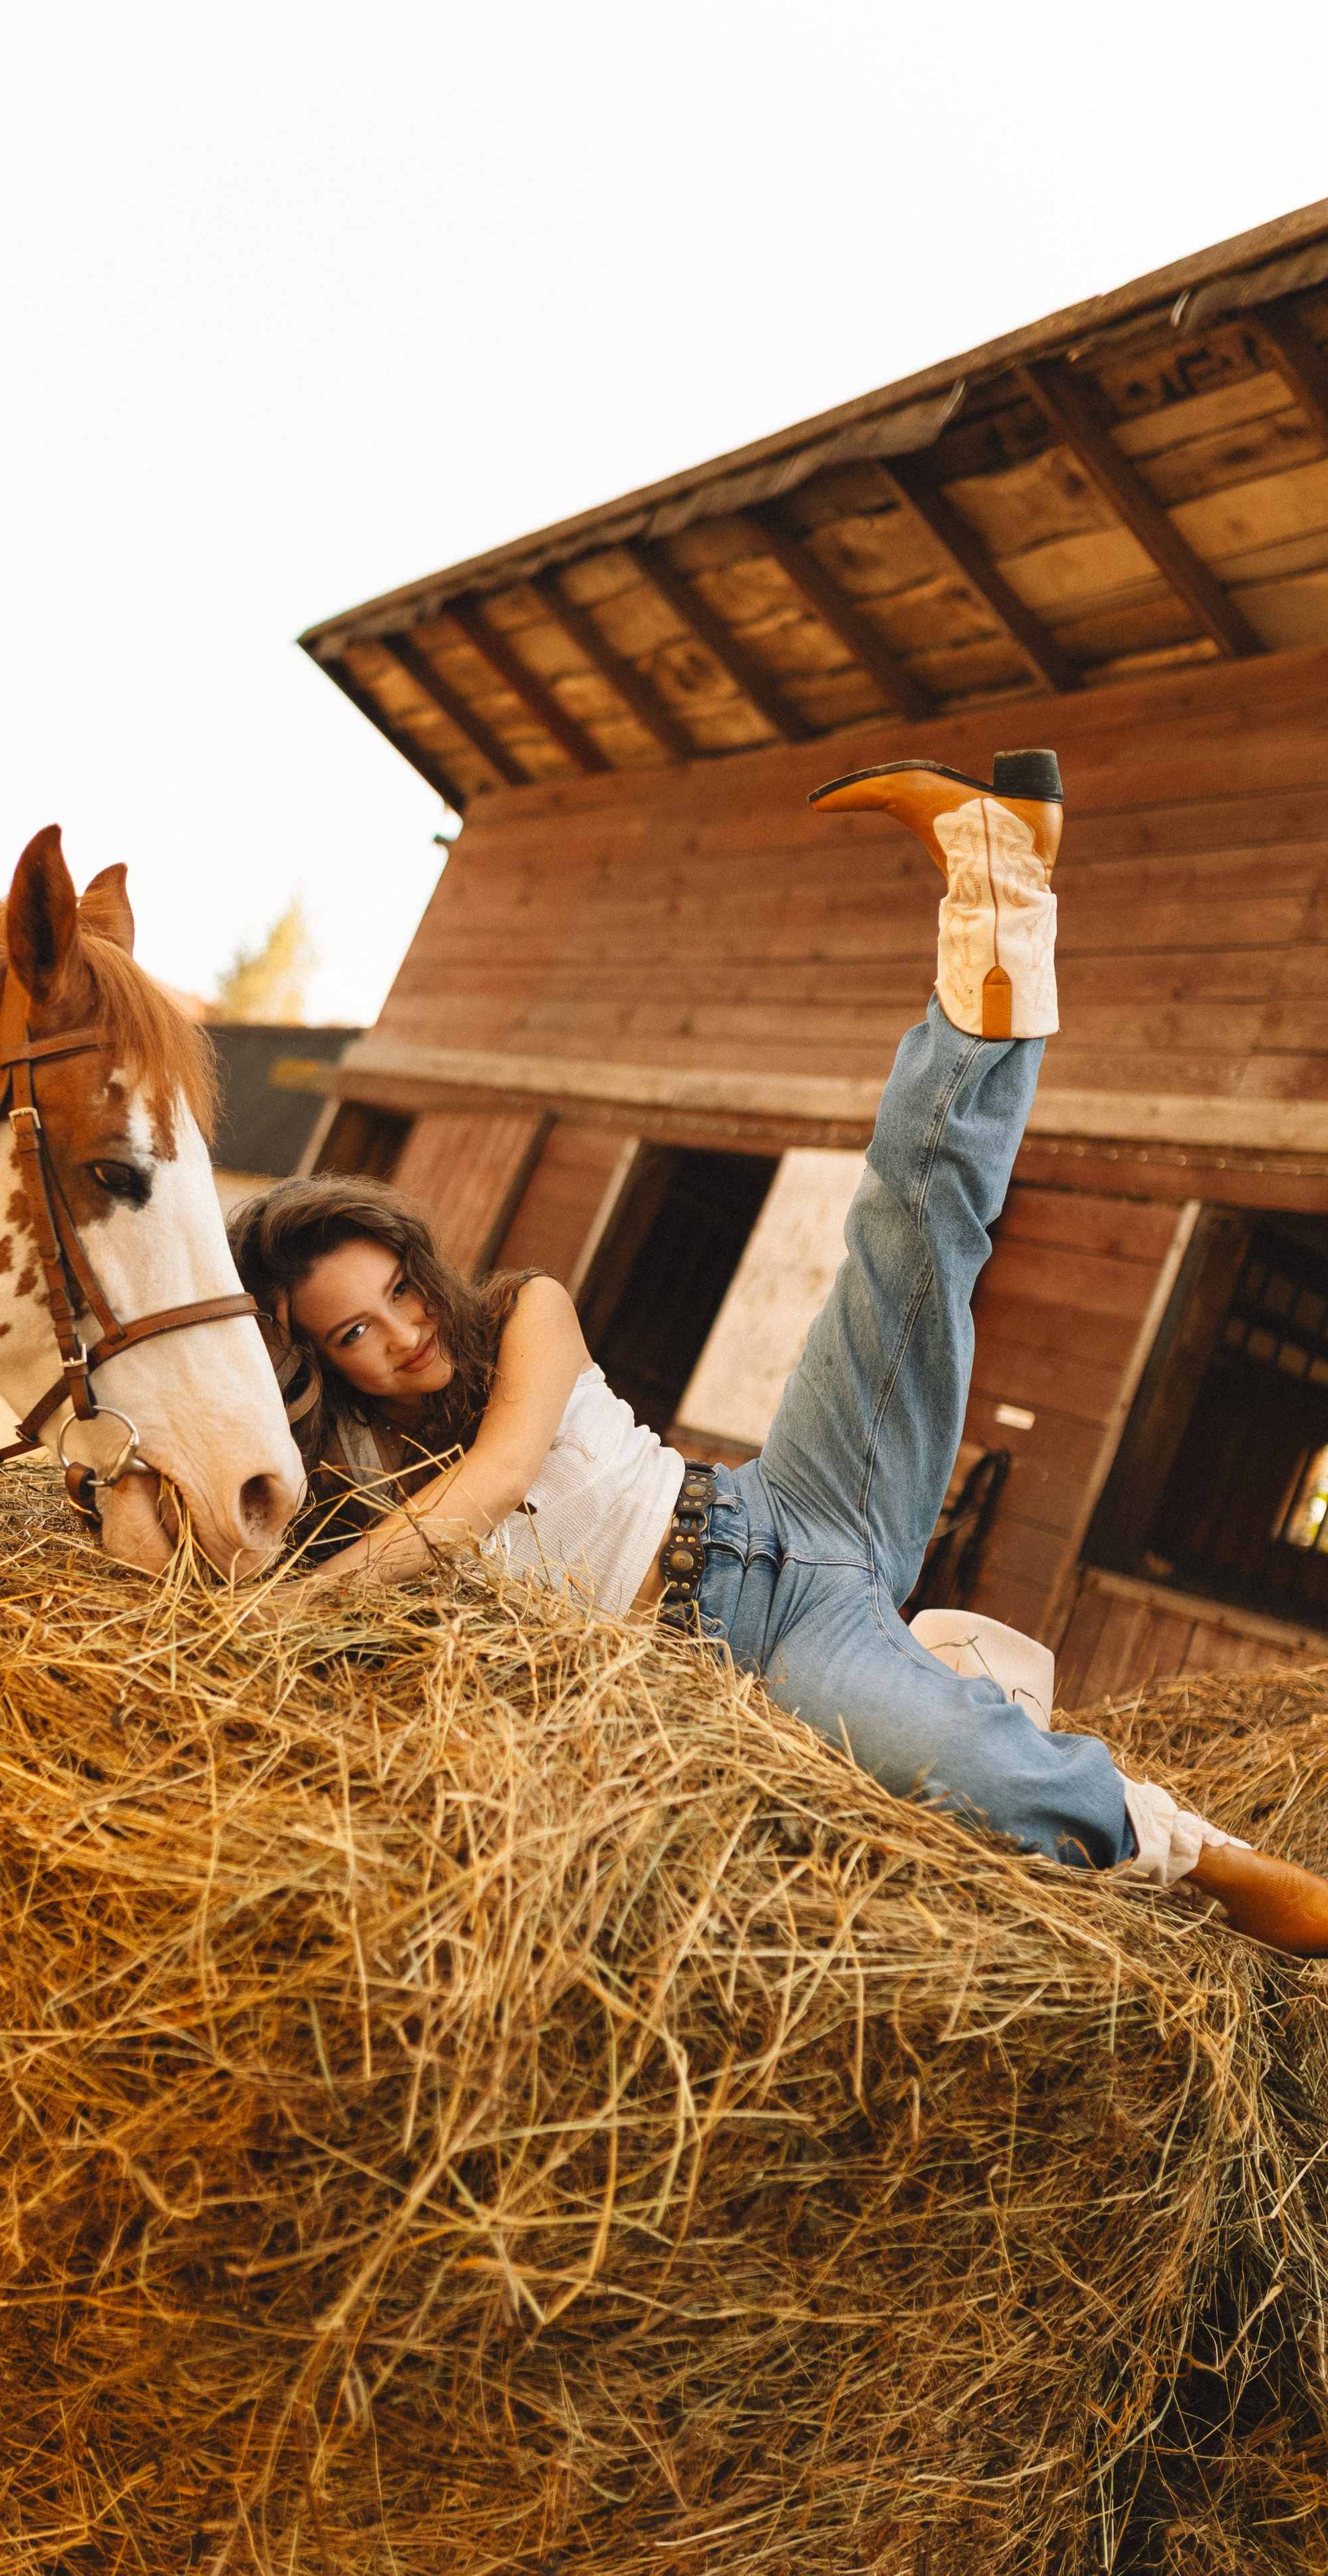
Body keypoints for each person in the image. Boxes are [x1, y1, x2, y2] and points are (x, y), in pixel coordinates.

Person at [229, 751, 1328, 1957]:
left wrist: (279, 1623)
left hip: (791, 1499)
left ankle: (999, 890)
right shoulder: (356, 1474)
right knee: (969, 1772)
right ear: (316, 1356)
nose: (401, 1333)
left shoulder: (519, 1310)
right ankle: (1205, 1856)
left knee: (912, 1231)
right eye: (352, 1333)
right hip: (769, 1648)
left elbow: (493, 1484)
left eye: (397, 1291)